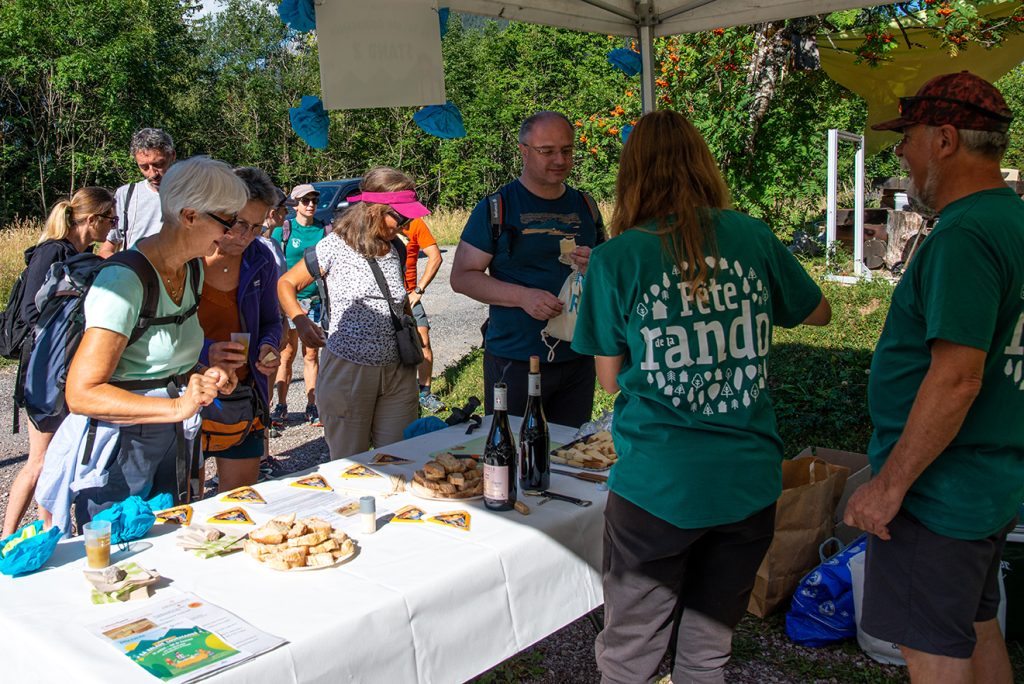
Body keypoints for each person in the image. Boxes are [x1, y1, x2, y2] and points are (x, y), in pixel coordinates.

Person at [571, 110, 831, 684]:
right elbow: (818, 311)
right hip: (748, 478)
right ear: (703, 165)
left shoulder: (617, 258)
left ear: (632, 175)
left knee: (631, 652)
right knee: (707, 651)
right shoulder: (752, 236)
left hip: (658, 485)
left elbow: (609, 380)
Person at [844, 71, 1024, 684]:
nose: (901, 153)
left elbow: (957, 379)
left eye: (908, 138)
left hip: (938, 492)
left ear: (945, 140)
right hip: (986, 481)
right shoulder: (1011, 220)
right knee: (976, 627)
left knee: (932, 654)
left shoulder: (966, 233)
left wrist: (889, 486)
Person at [35, 156, 246, 534]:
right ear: (189, 216)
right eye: (227, 221)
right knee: (120, 551)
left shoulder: (192, 270)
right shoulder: (124, 280)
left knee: (171, 543)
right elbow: (82, 394)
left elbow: (163, 359)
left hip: (172, 438)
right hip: (120, 446)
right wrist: (177, 406)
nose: (232, 234)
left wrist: (205, 375)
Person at [450, 110, 605, 428]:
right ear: (523, 151)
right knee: (513, 449)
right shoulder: (497, 207)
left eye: (567, 150)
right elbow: (462, 277)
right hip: (517, 359)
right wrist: (523, 297)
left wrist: (597, 265)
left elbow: (609, 272)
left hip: (578, 357)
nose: (560, 160)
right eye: (547, 151)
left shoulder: (586, 206)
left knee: (571, 451)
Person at [277, 167, 425, 460]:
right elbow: (286, 284)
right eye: (401, 217)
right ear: (374, 211)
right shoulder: (335, 245)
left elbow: (398, 301)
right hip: (349, 372)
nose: (406, 225)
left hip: (398, 373)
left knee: (399, 461)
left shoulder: (395, 247)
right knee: (349, 465)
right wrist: (300, 321)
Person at [2, 187, 116, 538]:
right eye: (110, 219)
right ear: (93, 219)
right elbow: (31, 313)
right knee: (40, 461)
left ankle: (50, 529)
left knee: (55, 460)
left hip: (63, 366)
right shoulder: (53, 252)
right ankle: (7, 535)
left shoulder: (78, 253)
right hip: (45, 370)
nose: (113, 227)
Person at [196, 167, 283, 491]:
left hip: (242, 393)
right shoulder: (188, 257)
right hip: (189, 391)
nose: (247, 236)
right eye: (240, 224)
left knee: (240, 498)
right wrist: (207, 352)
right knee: (184, 501)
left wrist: (268, 345)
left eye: (257, 227)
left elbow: (272, 320)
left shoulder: (261, 258)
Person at [270, 184, 330, 428]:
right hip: (288, 301)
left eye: (314, 200)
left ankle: (312, 406)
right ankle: (281, 405)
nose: (311, 205)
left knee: (311, 354)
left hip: (315, 300)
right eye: (305, 200)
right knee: (286, 353)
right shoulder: (283, 230)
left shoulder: (324, 230)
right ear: (295, 204)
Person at [97, 128, 176, 257]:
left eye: (159, 164)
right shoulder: (126, 195)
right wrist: (125, 266)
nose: (152, 174)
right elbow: (106, 248)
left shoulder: (192, 194)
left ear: (172, 155)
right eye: (144, 167)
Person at [400, 217, 444, 412]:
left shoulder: (415, 223)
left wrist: (418, 290)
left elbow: (435, 257)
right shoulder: (378, 221)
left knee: (423, 341)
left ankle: (424, 394)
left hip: (409, 295)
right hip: (383, 297)